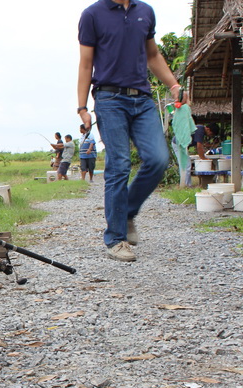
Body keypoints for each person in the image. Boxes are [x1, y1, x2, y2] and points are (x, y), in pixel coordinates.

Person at [77, 0, 188, 262]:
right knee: (119, 165)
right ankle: (116, 239)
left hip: (143, 98)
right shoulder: (92, 14)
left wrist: (173, 85)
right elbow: (85, 63)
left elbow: (152, 55)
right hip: (109, 98)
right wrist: (82, 107)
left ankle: (126, 212)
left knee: (158, 159)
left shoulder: (145, 12)